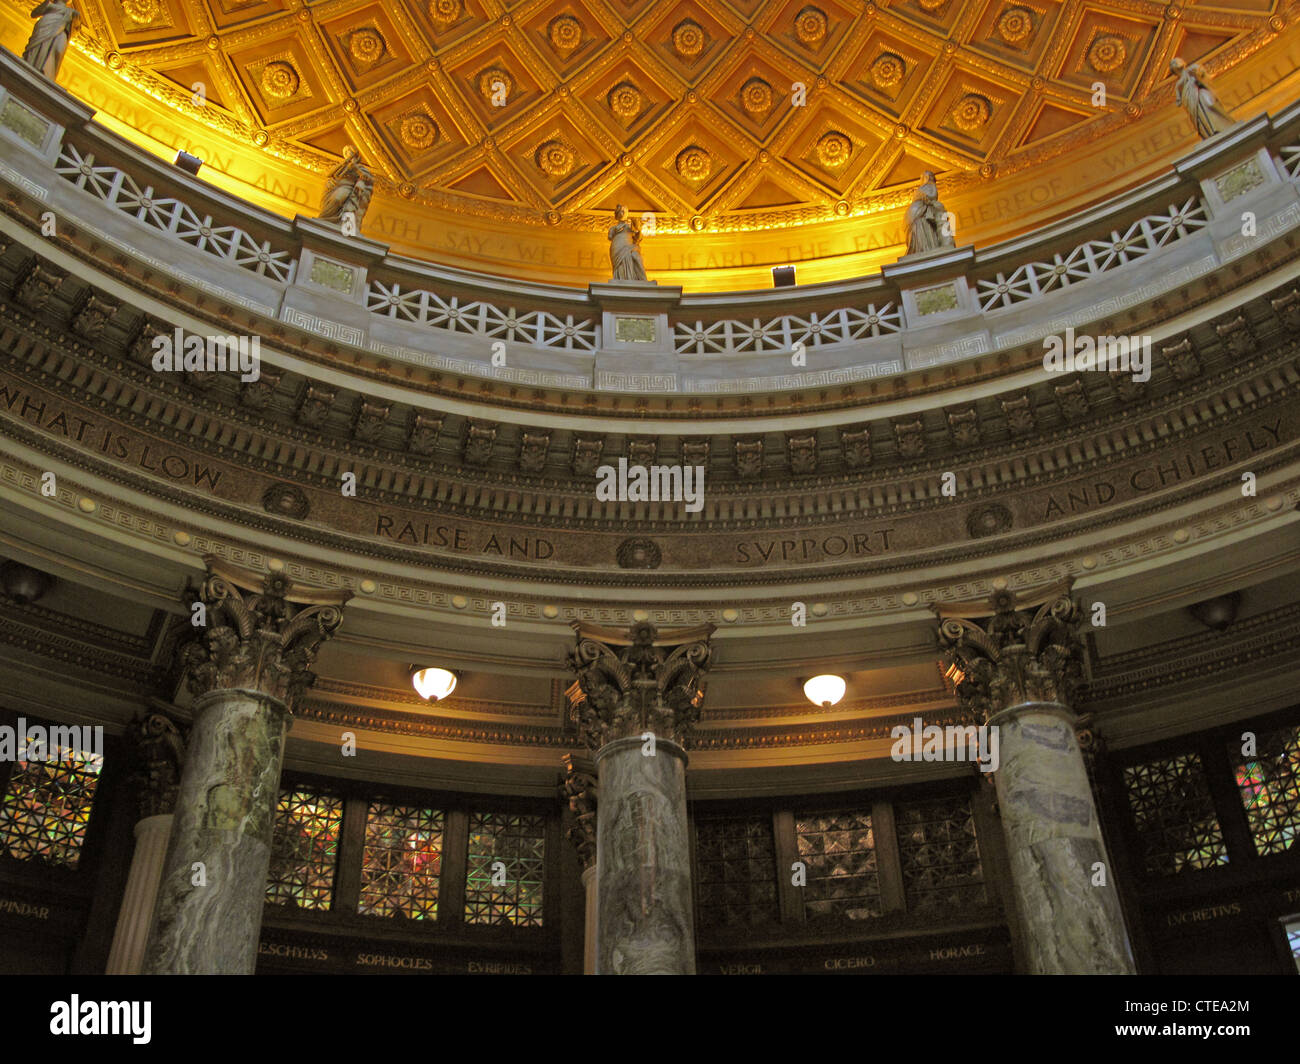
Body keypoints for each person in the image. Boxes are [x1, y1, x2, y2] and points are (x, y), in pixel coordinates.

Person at [1170, 58, 1236, 140]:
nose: (1175, 64)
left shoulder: (1193, 68)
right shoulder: (1179, 84)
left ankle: (1223, 124)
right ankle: (1210, 131)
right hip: (1192, 103)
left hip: (1201, 93)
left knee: (1210, 104)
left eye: (1176, 62)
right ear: (1174, 71)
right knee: (1201, 114)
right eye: (1173, 64)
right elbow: (1178, 101)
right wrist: (1184, 94)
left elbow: (1204, 76)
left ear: (1183, 62)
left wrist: (1197, 76)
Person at [22, 0, 79, 82]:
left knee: (58, 51)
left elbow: (75, 30)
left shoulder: (71, 12)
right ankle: (32, 65)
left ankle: (47, 73)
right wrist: (48, 6)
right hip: (46, 24)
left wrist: (75, 21)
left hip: (61, 29)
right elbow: (34, 13)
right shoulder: (49, 4)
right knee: (38, 47)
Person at [903, 171, 955, 256]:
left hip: (921, 212)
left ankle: (924, 248)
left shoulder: (931, 186)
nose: (924, 179)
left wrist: (923, 196)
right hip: (915, 212)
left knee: (921, 227)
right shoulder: (923, 187)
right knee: (916, 228)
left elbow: (932, 195)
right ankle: (920, 250)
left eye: (925, 177)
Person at [318, 151, 373, 231]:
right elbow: (330, 174)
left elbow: (367, 179)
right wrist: (345, 163)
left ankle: (332, 220)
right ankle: (325, 218)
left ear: (356, 156)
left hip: (347, 188)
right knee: (333, 200)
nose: (349, 154)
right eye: (346, 152)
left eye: (350, 152)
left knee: (338, 198)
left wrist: (358, 172)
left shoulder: (360, 168)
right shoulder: (341, 165)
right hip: (334, 186)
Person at [608, 204, 647, 281]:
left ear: (627, 213)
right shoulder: (613, 228)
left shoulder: (630, 226)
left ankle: (643, 280)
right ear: (617, 214)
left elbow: (638, 238)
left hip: (629, 247)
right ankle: (621, 280)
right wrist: (616, 230)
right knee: (621, 266)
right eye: (620, 211)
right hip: (617, 248)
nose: (622, 213)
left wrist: (638, 228)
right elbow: (610, 237)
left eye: (624, 211)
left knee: (636, 257)